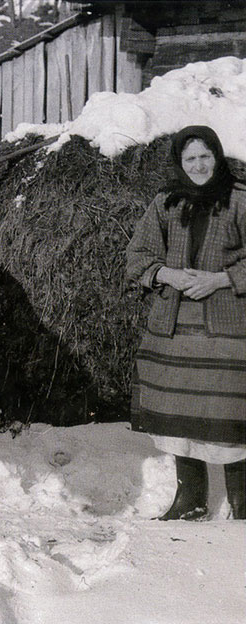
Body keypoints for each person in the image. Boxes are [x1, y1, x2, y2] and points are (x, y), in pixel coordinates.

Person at [126, 125, 246, 521]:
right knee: (177, 414)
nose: (198, 165)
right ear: (180, 162)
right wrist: (167, 274)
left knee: (232, 414)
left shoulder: (242, 200)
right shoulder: (166, 201)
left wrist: (221, 279)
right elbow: (138, 254)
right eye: (190, 158)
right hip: (173, 324)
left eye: (205, 157)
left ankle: (243, 503)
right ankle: (190, 499)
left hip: (228, 323)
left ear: (218, 157)